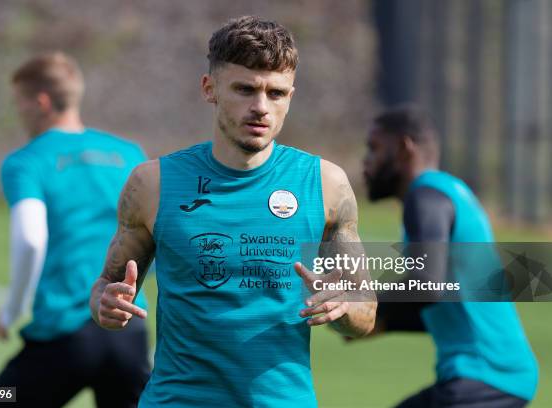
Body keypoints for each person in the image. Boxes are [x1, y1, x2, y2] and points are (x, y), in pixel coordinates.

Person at [89, 16, 377, 407]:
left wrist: (343, 308)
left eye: (276, 93)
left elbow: (365, 313)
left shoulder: (326, 185)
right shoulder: (152, 184)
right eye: (245, 89)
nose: (261, 107)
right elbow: (106, 285)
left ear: (291, 96)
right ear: (210, 89)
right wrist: (107, 305)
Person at [0, 52, 150, 407]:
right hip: (129, 326)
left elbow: (31, 240)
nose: (19, 113)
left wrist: (11, 312)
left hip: (66, 331)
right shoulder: (129, 154)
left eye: (20, 103)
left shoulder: (27, 161)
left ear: (41, 102)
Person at [362, 105, 538, 407]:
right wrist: (383, 322)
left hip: (484, 375)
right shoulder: (449, 191)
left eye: (375, 148)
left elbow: (426, 286)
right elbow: (448, 302)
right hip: (498, 377)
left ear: (404, 149)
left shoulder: (425, 196)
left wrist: (363, 303)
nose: (367, 161)